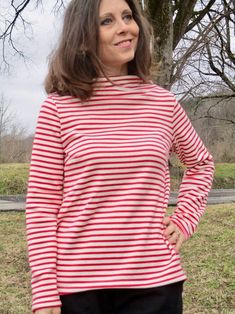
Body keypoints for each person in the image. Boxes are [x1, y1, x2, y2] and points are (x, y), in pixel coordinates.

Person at [25, 0, 214, 313]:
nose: (124, 27)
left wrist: (183, 221)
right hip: (78, 289)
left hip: (154, 285)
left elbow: (201, 165)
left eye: (128, 16)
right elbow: (43, 206)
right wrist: (44, 291)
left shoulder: (163, 104)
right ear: (83, 38)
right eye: (107, 21)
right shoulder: (58, 109)